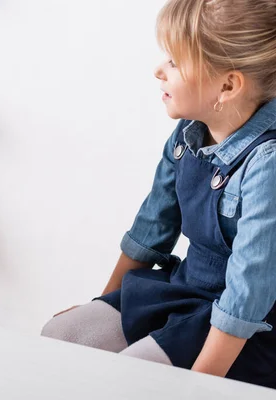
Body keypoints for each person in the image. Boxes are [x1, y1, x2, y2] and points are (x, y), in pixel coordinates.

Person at [42, 0, 276, 388]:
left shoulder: (267, 162)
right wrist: (103, 302)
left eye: (174, 61)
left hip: (247, 326)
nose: (158, 70)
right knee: (62, 337)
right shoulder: (188, 132)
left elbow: (248, 293)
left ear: (228, 86)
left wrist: (200, 385)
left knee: (131, 378)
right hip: (184, 291)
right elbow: (152, 228)